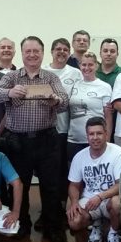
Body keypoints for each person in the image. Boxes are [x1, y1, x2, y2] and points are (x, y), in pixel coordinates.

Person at [0, 35, 69, 242]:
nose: (32, 55)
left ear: (42, 53)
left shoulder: (50, 78)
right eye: (28, 51)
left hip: (46, 139)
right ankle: (21, 223)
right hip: (18, 142)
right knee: (19, 184)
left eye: (36, 51)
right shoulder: (12, 77)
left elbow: (64, 101)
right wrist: (9, 92)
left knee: (50, 185)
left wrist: (55, 100)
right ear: (22, 54)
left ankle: (52, 227)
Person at [67, 117, 121, 242]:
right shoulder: (79, 156)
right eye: (91, 134)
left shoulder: (118, 153)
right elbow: (73, 185)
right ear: (87, 136)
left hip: (109, 198)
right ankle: (96, 224)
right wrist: (74, 202)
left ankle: (113, 233)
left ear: (106, 134)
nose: (95, 137)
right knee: (74, 222)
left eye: (99, 133)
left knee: (117, 203)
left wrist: (100, 197)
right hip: (89, 200)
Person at [44, 38, 83, 213]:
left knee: (62, 170)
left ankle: (61, 206)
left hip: (65, 129)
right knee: (46, 171)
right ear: (52, 51)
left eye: (65, 49)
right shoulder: (43, 71)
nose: (61, 52)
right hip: (44, 128)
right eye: (58, 49)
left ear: (69, 53)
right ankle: (47, 208)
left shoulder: (75, 73)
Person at [67, 52, 113, 159]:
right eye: (84, 65)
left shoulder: (104, 87)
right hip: (73, 140)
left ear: (96, 65)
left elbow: (108, 117)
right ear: (80, 66)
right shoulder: (74, 84)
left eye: (90, 65)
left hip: (96, 140)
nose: (86, 68)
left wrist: (107, 140)